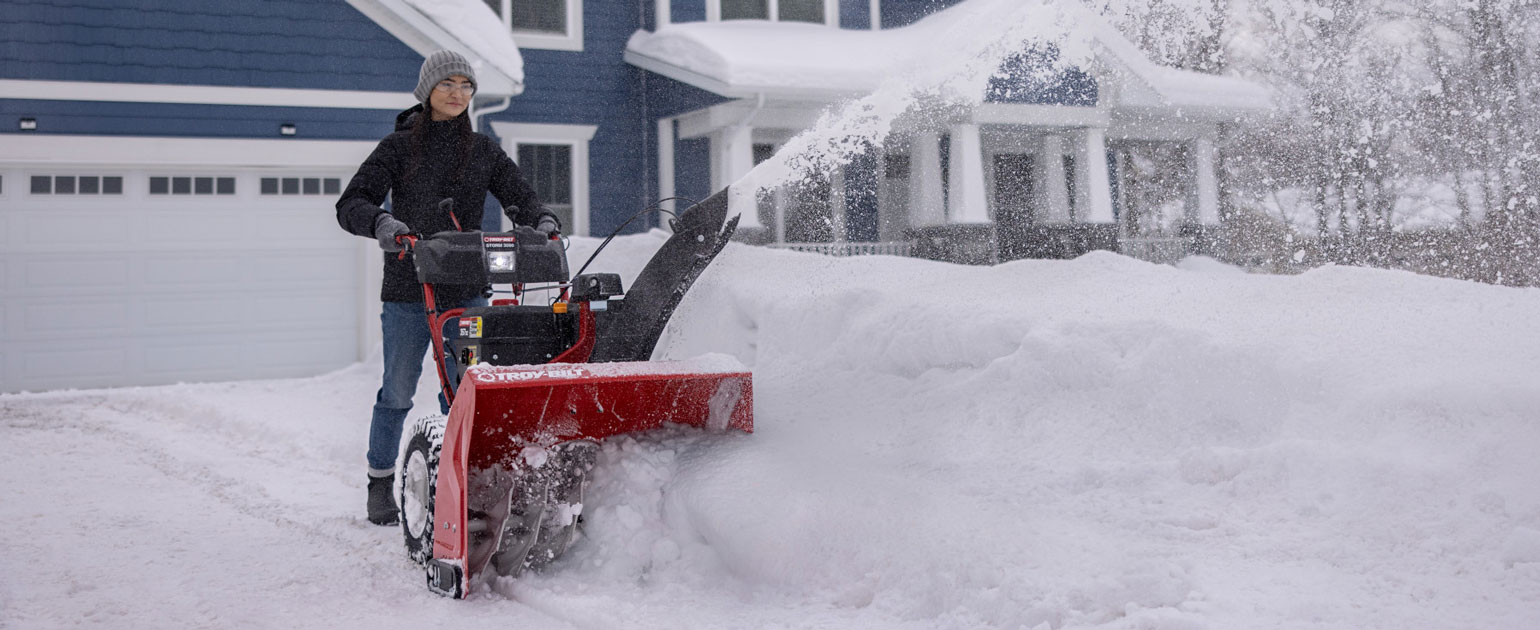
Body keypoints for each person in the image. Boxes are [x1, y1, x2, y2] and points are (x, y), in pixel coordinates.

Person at [336, 50, 560, 525]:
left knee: (463, 392)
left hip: (467, 289)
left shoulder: (482, 151)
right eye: (447, 85)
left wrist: (540, 218)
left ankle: (459, 479)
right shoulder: (396, 149)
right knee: (397, 391)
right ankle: (380, 482)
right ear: (428, 91)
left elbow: (520, 195)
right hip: (407, 289)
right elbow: (352, 202)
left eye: (465, 86)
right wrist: (384, 224)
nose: (457, 94)